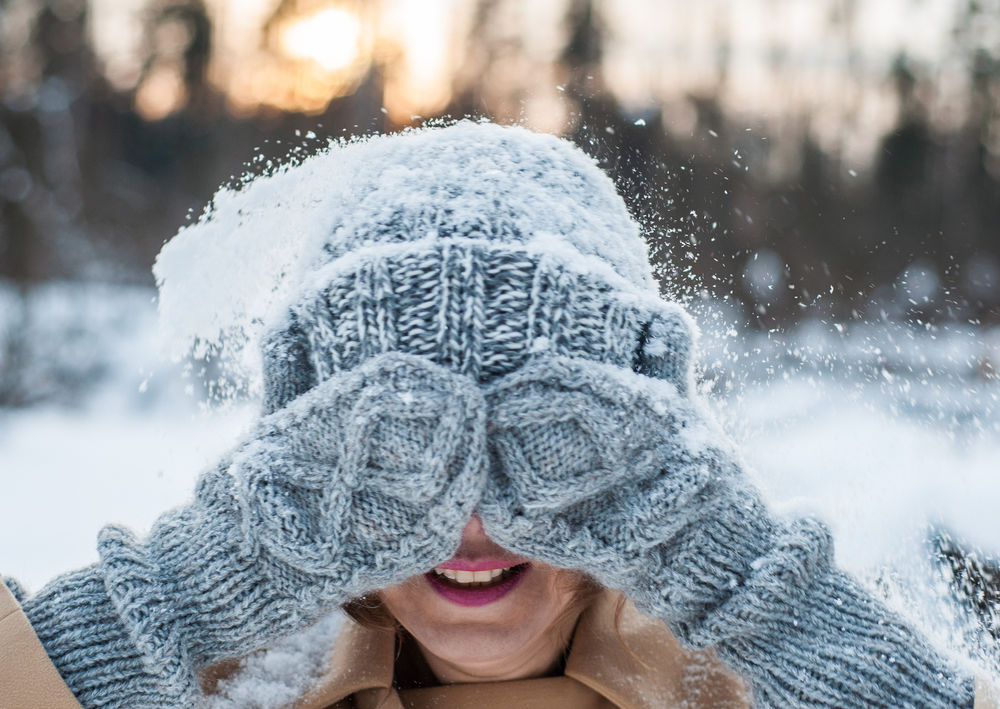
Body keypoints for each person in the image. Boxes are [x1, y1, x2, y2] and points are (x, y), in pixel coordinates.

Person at [0, 121, 994, 708]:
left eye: (531, 439)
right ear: (298, 454)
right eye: (401, 447)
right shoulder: (214, 687)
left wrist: (763, 599)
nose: (467, 521)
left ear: (647, 448)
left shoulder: (757, 685)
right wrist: (181, 596)